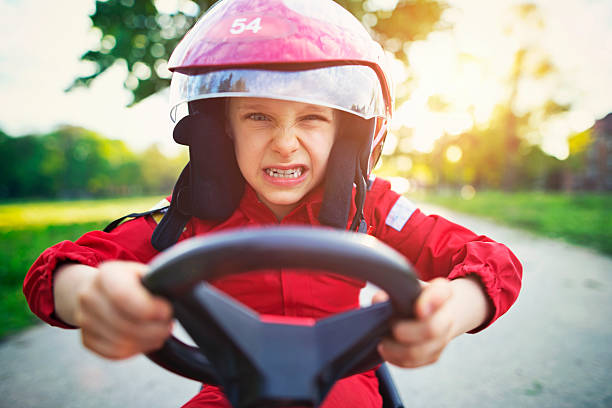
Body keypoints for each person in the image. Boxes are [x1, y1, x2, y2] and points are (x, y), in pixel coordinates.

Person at [23, 0, 522, 407]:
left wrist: (451, 311)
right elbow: (54, 270)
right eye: (259, 117)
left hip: (348, 391)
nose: (285, 143)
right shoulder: (189, 216)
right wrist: (89, 294)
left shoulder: (369, 206)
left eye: (311, 119)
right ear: (221, 131)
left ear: (348, 136)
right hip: (230, 391)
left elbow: (492, 261)